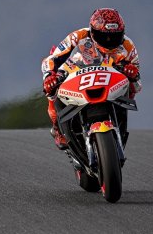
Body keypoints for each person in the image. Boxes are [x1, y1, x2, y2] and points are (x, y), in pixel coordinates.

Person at [41, 8, 141, 149]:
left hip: (110, 79)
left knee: (131, 86)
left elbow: (137, 85)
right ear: (93, 32)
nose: (109, 41)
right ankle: (57, 126)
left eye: (114, 36)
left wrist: (133, 74)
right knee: (51, 88)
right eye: (104, 36)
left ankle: (119, 121)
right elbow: (51, 59)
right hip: (77, 71)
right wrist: (49, 75)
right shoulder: (78, 36)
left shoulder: (128, 45)